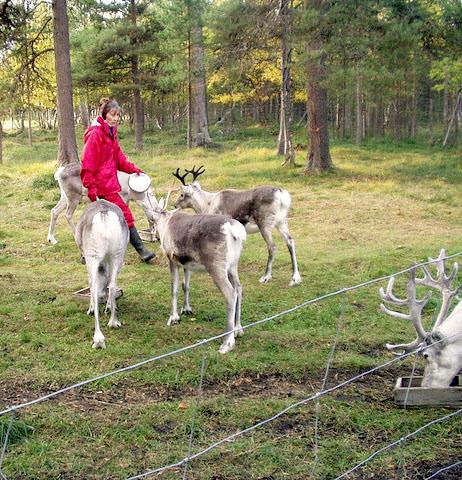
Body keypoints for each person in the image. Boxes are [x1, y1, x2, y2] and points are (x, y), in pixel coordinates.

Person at [80, 98, 155, 263]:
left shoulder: (111, 133)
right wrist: (91, 188)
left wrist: (132, 169)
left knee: (100, 221)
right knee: (123, 215)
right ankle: (142, 251)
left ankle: (87, 253)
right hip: (101, 186)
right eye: (112, 115)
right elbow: (88, 163)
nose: (115, 118)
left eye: (118, 115)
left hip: (109, 185)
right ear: (105, 114)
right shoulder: (96, 135)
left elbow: (119, 159)